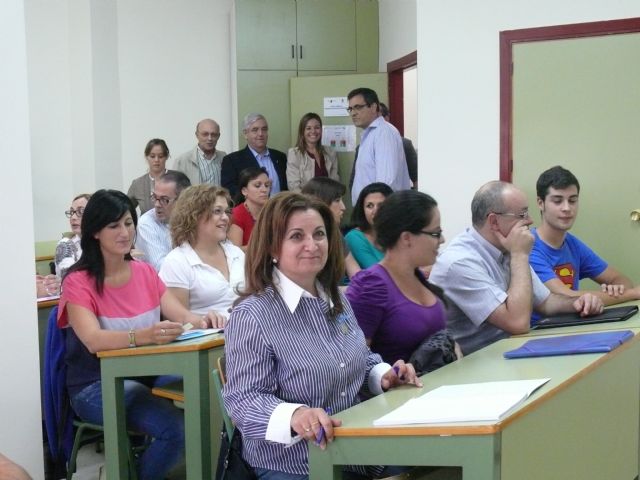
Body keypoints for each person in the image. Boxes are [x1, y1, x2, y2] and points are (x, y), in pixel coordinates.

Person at [222, 192, 422, 480]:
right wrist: (295, 415)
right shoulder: (252, 315)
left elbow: (359, 357)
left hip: (353, 450)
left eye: (319, 234)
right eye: (296, 236)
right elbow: (243, 400)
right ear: (272, 248)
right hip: (291, 462)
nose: (312, 245)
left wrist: (384, 375)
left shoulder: (335, 298)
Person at [57, 189, 209, 480]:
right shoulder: (78, 281)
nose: (125, 232)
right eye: (114, 226)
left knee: (212, 393)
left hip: (147, 373)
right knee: (176, 431)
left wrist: (204, 320)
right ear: (95, 233)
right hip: (95, 385)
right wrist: (143, 335)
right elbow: (93, 340)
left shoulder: (145, 272)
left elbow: (183, 316)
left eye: (128, 223)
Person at [429, 181, 603, 355]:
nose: (530, 220)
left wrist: (579, 303)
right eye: (522, 214)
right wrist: (520, 256)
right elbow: (518, 324)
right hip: (473, 365)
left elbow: (546, 302)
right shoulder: (459, 262)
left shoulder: (506, 247)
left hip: (507, 352)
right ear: (494, 222)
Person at [347, 190, 452, 364]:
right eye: (435, 233)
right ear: (407, 238)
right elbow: (354, 361)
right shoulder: (371, 286)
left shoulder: (415, 276)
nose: (441, 239)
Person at [530, 165, 640, 308]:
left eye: (572, 200)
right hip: (540, 328)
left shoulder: (571, 243)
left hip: (572, 323)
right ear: (540, 203)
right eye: (557, 201)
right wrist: (632, 294)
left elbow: (620, 280)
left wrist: (616, 289)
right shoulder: (529, 246)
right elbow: (566, 296)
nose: (567, 208)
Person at [159, 184, 244, 328]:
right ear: (195, 216)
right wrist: (203, 322)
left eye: (226, 212)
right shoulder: (177, 261)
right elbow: (179, 326)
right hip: (209, 342)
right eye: (217, 211)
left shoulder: (236, 253)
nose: (225, 218)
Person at [346, 87, 410, 205]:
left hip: (379, 213)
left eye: (358, 107)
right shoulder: (370, 134)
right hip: (369, 212)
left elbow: (386, 183)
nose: (353, 113)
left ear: (374, 107)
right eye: (350, 109)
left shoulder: (383, 133)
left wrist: (374, 212)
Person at [301, 177, 360, 279]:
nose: (343, 207)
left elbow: (356, 273)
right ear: (321, 202)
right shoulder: (304, 240)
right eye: (337, 200)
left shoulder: (336, 234)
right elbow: (311, 289)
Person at [221, 113, 287, 198]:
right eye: (255, 130)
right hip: (250, 210)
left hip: (280, 209)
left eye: (264, 129)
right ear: (245, 134)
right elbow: (230, 191)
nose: (260, 134)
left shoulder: (280, 157)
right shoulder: (232, 160)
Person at [135, 171, 191, 271]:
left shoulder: (194, 218)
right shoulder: (146, 224)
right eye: (154, 197)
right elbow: (161, 267)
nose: (157, 204)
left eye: (164, 200)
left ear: (183, 200)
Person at [286, 113, 339, 192]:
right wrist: (311, 203)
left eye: (317, 127)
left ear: (321, 130)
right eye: (308, 128)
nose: (313, 131)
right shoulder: (294, 154)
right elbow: (293, 187)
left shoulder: (330, 153)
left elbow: (335, 182)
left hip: (328, 202)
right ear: (302, 132)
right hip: (306, 203)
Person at [345, 183, 393, 269]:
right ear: (362, 210)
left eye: (381, 205)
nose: (375, 211)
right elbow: (377, 273)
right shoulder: (354, 237)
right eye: (369, 206)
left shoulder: (399, 233)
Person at [127, 139, 177, 214]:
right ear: (147, 157)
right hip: (146, 225)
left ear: (166, 157)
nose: (156, 160)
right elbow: (126, 210)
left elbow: (187, 207)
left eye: (160, 156)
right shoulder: (137, 184)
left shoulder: (177, 180)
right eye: (152, 156)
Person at [172, 118, 227, 186]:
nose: (209, 138)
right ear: (197, 135)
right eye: (205, 134)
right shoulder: (182, 161)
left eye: (213, 134)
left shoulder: (225, 158)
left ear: (218, 136)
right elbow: (175, 189)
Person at [228, 167, 271, 251]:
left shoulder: (273, 211)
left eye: (267, 185)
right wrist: (266, 248)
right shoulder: (237, 214)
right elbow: (235, 251)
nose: (264, 190)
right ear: (244, 191)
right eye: (257, 186)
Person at [379, 103, 417, 189]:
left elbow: (417, 177)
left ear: (387, 118)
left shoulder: (405, 144)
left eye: (379, 118)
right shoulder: (362, 146)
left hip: (397, 198)